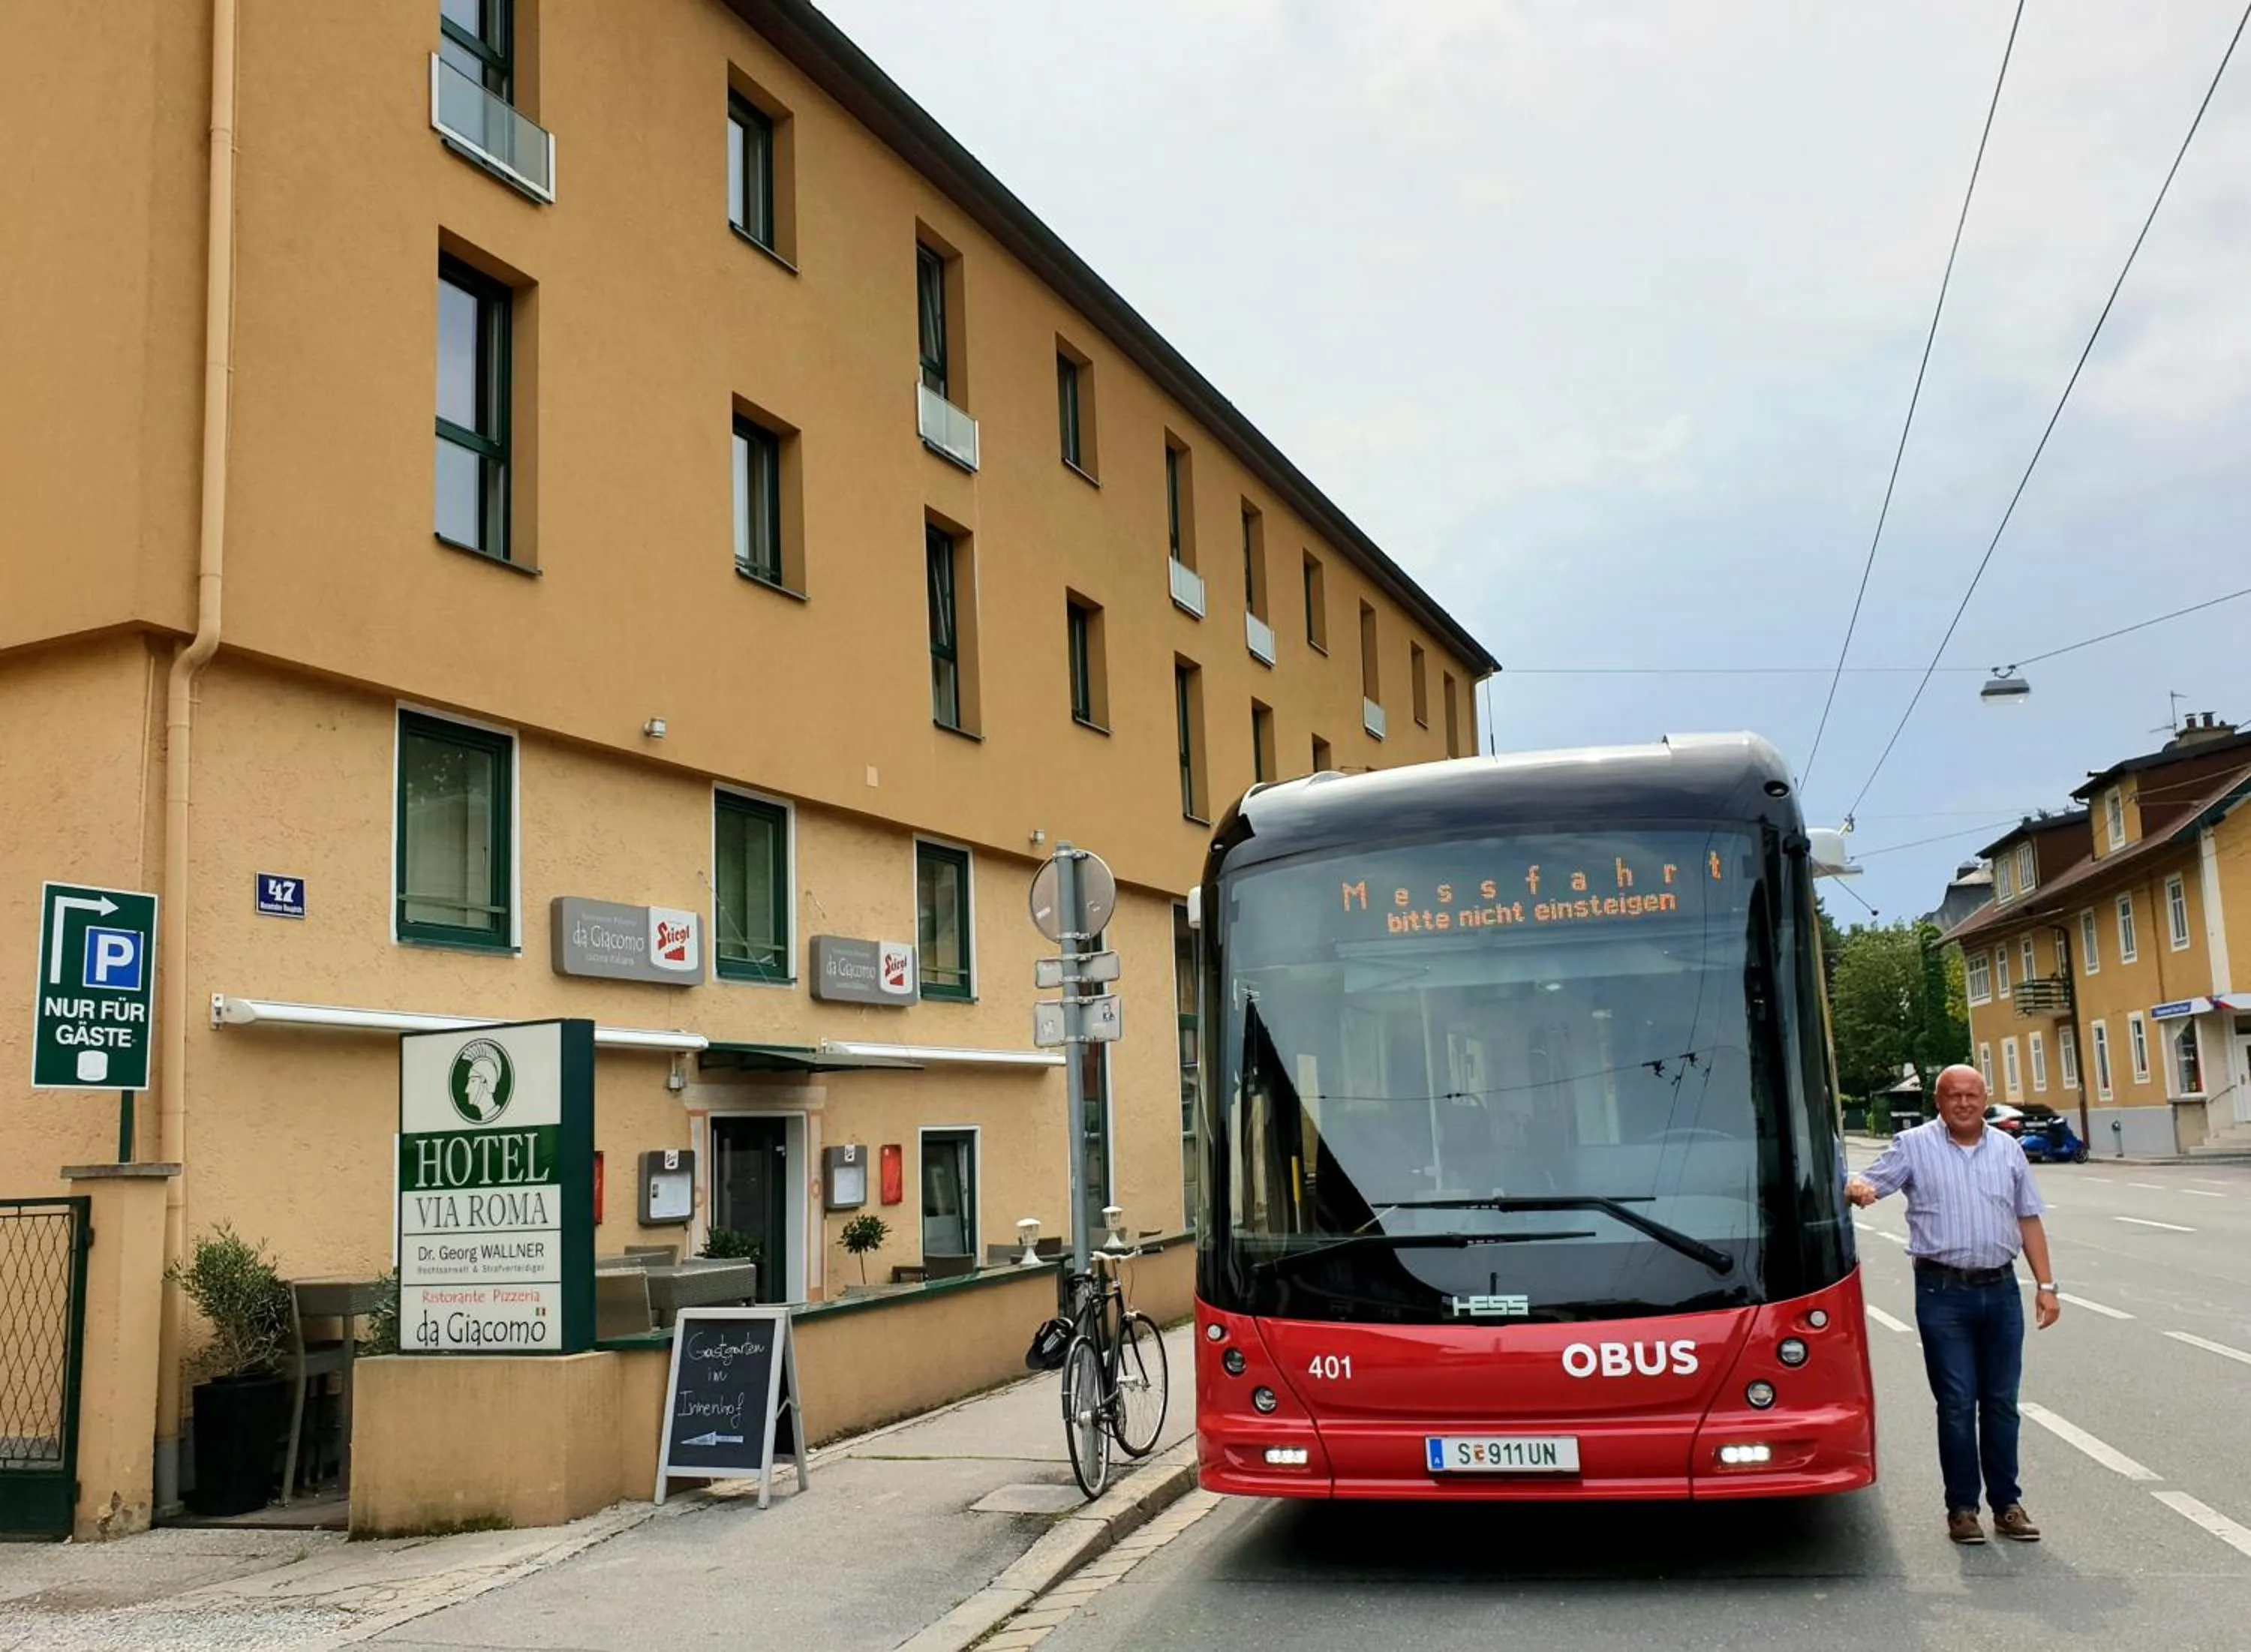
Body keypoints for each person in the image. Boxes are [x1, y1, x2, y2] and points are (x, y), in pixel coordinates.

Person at [1847, 1064, 2059, 1545]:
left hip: (2001, 1291)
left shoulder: (2007, 1150)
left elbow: (2028, 1219)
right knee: (1958, 1403)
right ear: (1938, 1102)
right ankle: (1962, 1508)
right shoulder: (1915, 1146)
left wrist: (2047, 1285)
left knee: (2002, 1403)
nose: (1963, 1103)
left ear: (1985, 1098)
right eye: (1952, 1095)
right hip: (1943, 1294)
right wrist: (1857, 1187)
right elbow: (1867, 1183)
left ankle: (2007, 1504)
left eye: (1972, 1095)